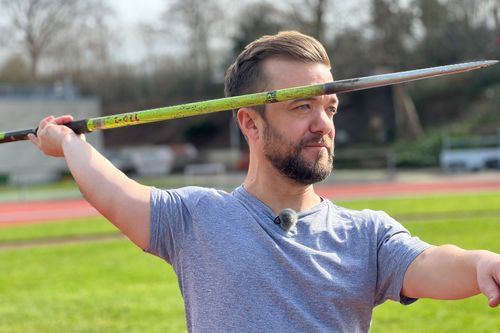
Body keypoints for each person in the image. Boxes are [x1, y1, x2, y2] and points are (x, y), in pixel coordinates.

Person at [29, 31, 499, 332]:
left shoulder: (367, 236)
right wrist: (69, 143)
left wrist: (481, 263)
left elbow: (434, 262)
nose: (323, 124)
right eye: (302, 106)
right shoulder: (194, 220)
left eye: (329, 108)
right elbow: (113, 189)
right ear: (250, 124)